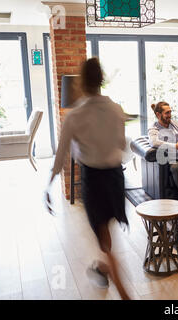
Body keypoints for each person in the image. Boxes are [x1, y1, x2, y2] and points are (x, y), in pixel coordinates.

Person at [45, 58, 130, 300]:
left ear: (82, 82)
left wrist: (48, 186)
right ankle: (103, 268)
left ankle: (124, 294)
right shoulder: (117, 109)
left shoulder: (75, 115)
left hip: (94, 180)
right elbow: (122, 145)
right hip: (115, 178)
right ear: (102, 80)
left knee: (104, 239)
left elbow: (61, 155)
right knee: (106, 237)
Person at [148, 101, 178, 212]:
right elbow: (154, 143)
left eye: (170, 112)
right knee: (175, 168)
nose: (170, 115)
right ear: (159, 115)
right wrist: (176, 146)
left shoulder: (176, 124)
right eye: (167, 113)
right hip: (174, 159)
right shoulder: (154, 128)